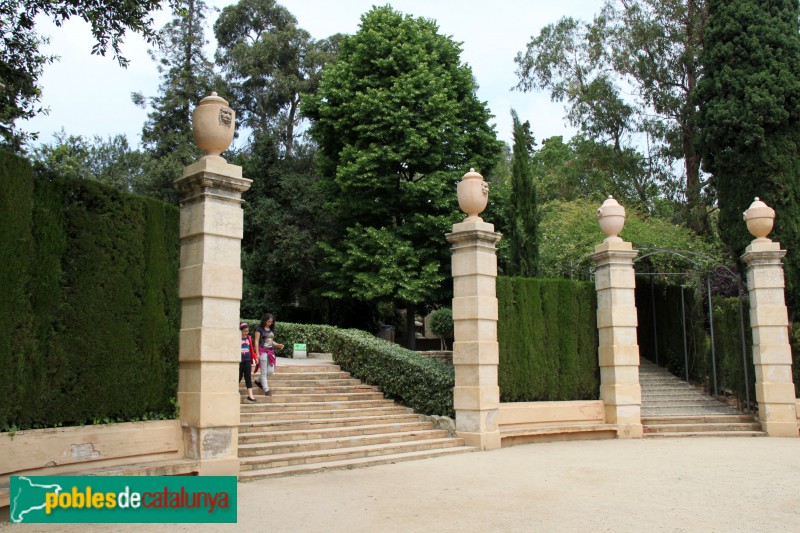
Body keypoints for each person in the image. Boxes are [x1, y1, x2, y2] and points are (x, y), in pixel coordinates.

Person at [254, 313, 285, 396]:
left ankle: (258, 380)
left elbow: (270, 341)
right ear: (264, 320)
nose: (270, 323)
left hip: (271, 352)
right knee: (264, 372)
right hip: (262, 352)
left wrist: (277, 345)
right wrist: (257, 353)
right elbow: (256, 341)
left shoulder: (271, 330)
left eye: (271, 322)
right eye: (268, 321)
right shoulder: (259, 329)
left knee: (270, 372)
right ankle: (266, 390)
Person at [239, 322, 257, 402]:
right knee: (238, 376)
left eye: (247, 331)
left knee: (248, 377)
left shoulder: (249, 338)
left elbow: (251, 349)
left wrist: (255, 357)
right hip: (239, 360)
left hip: (247, 360)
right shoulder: (237, 338)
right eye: (244, 331)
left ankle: (250, 395)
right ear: (241, 331)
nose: (246, 333)